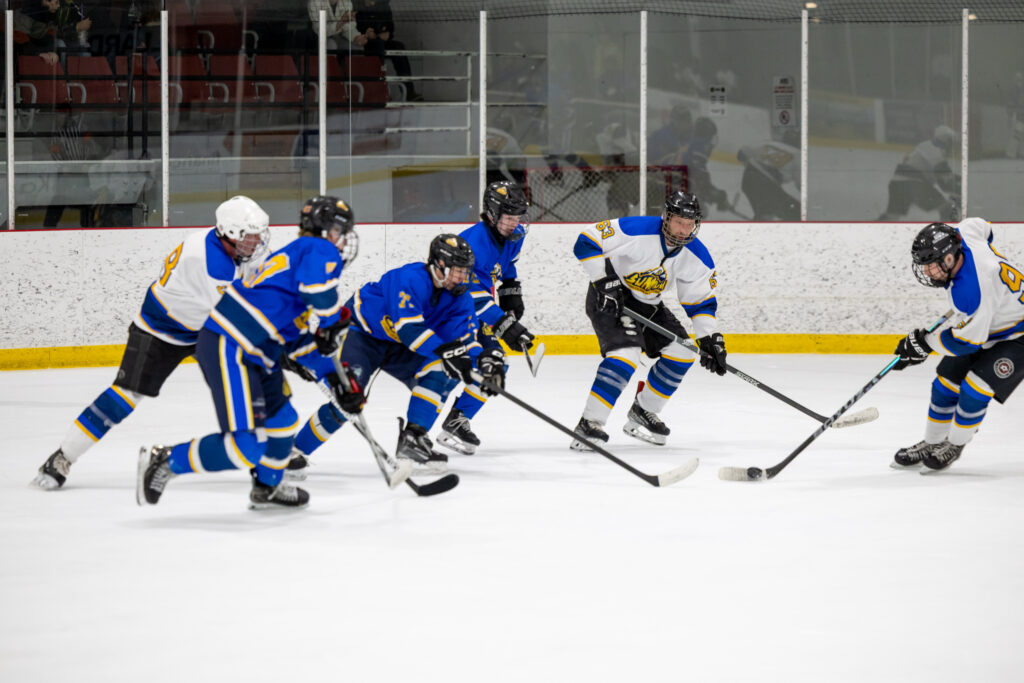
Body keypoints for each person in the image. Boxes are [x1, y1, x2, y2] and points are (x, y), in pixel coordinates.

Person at [32, 195, 271, 490]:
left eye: (259, 234)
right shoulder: (213, 264)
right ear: (230, 233)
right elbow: (238, 316)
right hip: (161, 330)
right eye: (250, 236)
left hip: (204, 327)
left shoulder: (230, 246)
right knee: (125, 397)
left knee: (252, 382)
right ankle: (62, 457)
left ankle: (274, 450)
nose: (258, 242)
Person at [136, 196, 359, 509]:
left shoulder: (293, 267)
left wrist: (337, 379)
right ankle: (167, 459)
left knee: (284, 422)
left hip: (255, 352)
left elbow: (297, 342)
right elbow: (319, 294)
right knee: (245, 448)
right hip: (230, 345)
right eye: (338, 231)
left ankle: (268, 487)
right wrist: (332, 322)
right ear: (324, 231)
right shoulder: (317, 249)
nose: (342, 240)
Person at [283, 234, 507, 479]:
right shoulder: (410, 278)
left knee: (441, 371)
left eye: (465, 272)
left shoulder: (460, 298)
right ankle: (292, 453)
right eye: (457, 271)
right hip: (362, 334)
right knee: (346, 400)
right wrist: (451, 354)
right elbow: (409, 330)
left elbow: (465, 339)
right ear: (439, 265)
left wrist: (484, 361)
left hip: (399, 346)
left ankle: (414, 440)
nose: (462, 278)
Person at [569, 191, 727, 449]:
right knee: (626, 355)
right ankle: (589, 423)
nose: (683, 230)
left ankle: (643, 410)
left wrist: (709, 337)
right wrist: (602, 280)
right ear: (666, 217)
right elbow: (586, 240)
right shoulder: (637, 230)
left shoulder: (697, 255)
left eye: (689, 224)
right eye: (679, 222)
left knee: (684, 352)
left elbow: (700, 301)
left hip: (649, 305)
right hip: (612, 297)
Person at [890, 219, 1024, 472]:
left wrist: (925, 344)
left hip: (1019, 335)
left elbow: (966, 342)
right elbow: (985, 228)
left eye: (931, 265)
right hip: (990, 322)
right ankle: (932, 442)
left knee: (976, 387)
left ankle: (955, 444)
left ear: (950, 258)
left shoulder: (973, 290)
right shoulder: (964, 232)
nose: (927, 271)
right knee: (945, 383)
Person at [436, 181, 535, 455]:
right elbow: (470, 294)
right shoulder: (471, 244)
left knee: (495, 365)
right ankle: (418, 427)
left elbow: (507, 265)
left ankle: (457, 420)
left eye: (518, 217)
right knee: (450, 370)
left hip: (475, 311)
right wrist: (503, 324)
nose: (515, 223)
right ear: (492, 214)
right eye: (509, 217)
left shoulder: (514, 234)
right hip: (451, 311)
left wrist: (510, 290)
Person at [878, 125, 960, 221]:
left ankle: (873, 228)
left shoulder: (925, 146)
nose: (952, 146)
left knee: (891, 218)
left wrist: (954, 183)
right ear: (945, 140)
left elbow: (941, 179)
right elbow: (945, 179)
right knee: (947, 210)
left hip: (897, 183)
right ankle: (949, 229)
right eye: (951, 142)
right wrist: (959, 189)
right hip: (914, 185)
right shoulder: (935, 150)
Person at [354, 0, 419, 101]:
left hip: (381, 41)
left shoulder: (384, 6)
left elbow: (390, 27)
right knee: (378, 46)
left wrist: (387, 34)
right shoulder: (356, 5)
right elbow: (354, 27)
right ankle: (381, 91)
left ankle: (409, 92)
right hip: (364, 42)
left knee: (398, 46)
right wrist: (365, 34)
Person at [736, 129, 801, 221]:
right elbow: (800, 185)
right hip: (768, 187)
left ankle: (763, 218)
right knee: (798, 213)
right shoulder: (798, 155)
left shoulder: (769, 143)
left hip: (748, 180)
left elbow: (741, 154)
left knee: (765, 212)